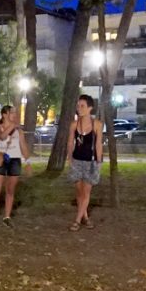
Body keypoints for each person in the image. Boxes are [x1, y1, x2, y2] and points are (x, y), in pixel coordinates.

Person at [0, 104, 31, 226]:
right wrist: (13, 125)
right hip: (0, 159)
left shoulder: (19, 131)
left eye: (15, 113)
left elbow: (23, 146)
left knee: (10, 190)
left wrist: (28, 162)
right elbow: (2, 137)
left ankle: (6, 216)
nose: (15, 115)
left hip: (14, 160)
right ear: (4, 114)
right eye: (12, 112)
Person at [65, 94, 104, 230]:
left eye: (82, 106)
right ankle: (85, 217)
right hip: (77, 161)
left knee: (86, 192)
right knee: (79, 192)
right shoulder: (74, 125)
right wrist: (69, 158)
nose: (79, 108)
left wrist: (99, 162)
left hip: (90, 162)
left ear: (90, 108)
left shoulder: (97, 124)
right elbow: (70, 143)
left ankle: (77, 220)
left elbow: (98, 144)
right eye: (78, 106)